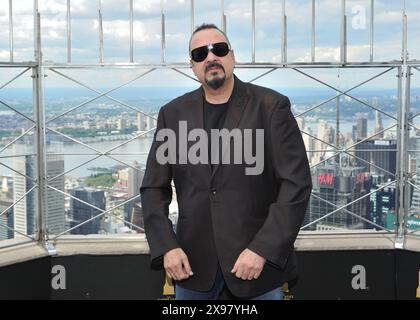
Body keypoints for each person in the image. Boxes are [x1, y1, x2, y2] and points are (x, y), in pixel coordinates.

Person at [140, 23, 312, 300]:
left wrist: (263, 249)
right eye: (200, 54)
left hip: (256, 268)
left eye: (218, 49)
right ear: (193, 66)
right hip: (192, 267)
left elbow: (296, 184)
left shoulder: (271, 107)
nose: (210, 58)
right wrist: (166, 247)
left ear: (232, 56)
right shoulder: (172, 114)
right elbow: (153, 188)